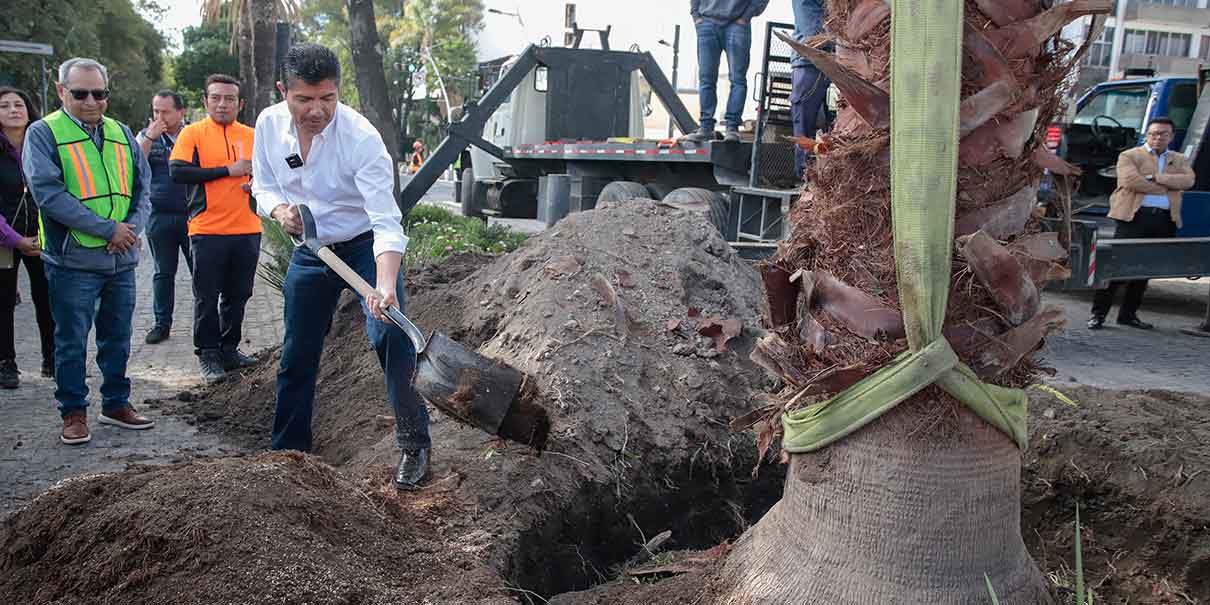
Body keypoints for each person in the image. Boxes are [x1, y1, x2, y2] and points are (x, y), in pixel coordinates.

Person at [252, 43, 430, 489]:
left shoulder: (361, 138)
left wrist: (385, 284)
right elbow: (264, 184)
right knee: (297, 352)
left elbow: (386, 220)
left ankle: (414, 443)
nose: (317, 110)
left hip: (364, 248)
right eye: (305, 99)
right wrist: (279, 211)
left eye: (327, 99)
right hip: (312, 250)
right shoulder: (269, 126)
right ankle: (288, 451)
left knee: (392, 338)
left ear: (339, 91)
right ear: (283, 91)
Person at [23, 57, 154, 444]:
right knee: (71, 341)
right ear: (62, 91)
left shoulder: (121, 132)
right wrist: (108, 229)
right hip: (73, 262)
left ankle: (115, 403)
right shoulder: (43, 133)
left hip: (121, 260)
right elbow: (49, 195)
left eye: (100, 93)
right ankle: (73, 412)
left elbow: (142, 189)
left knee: (117, 337)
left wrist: (129, 231)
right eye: (80, 93)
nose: (91, 101)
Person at [170, 74, 260, 383]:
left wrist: (256, 184)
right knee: (206, 296)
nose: (223, 104)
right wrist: (227, 171)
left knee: (239, 294)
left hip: (248, 227)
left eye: (230, 98)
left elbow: (270, 171)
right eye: (216, 98)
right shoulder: (192, 133)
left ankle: (229, 349)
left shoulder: (252, 134)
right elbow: (178, 171)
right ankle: (207, 354)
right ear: (206, 101)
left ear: (240, 103)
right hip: (207, 229)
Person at [1089, 117, 1195, 331]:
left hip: (1164, 220)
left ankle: (1128, 315)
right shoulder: (1130, 155)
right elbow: (1130, 181)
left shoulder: (1179, 159)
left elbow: (1188, 181)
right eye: (1154, 133)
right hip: (1134, 218)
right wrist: (1168, 186)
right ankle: (1098, 315)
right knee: (1116, 267)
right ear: (1147, 135)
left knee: (1144, 269)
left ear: (1171, 136)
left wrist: (1156, 178)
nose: (1158, 138)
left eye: (1163, 134)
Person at [0, 87, 54, 388]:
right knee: (4, 301)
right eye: (5, 105)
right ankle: (6, 362)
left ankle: (52, 358)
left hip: (41, 236)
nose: (13, 110)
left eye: (19, 104)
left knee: (47, 298)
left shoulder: (43, 144)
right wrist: (15, 239)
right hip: (4, 241)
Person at [137, 89, 192, 345]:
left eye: (165, 111)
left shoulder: (194, 134)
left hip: (193, 215)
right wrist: (149, 137)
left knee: (201, 272)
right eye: (156, 111)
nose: (160, 116)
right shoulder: (147, 135)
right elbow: (134, 165)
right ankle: (162, 324)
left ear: (181, 112)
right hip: (159, 215)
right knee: (163, 272)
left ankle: (207, 321)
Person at [684, 0, 770, 143]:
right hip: (706, 22)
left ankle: (732, 128)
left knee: (738, 79)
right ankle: (706, 128)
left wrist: (746, 16)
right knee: (706, 79)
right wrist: (696, 15)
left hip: (737, 24)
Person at [791, 0, 831, 178]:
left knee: (831, 124)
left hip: (830, 63)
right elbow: (812, 33)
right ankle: (804, 176)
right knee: (804, 125)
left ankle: (825, 173)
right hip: (808, 63)